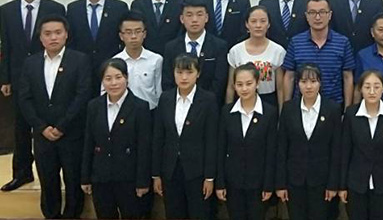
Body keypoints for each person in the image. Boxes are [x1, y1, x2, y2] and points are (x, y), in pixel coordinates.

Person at [0, 0, 66, 192]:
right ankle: (22, 173)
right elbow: (6, 46)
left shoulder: (55, 8)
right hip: (20, 77)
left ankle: (54, 173)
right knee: (21, 127)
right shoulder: (6, 10)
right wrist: (6, 78)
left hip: (48, 75)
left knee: (47, 123)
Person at [18, 15, 91, 219]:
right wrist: (41, 127)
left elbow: (82, 96)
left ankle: (72, 216)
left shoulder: (80, 60)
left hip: (71, 133)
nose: (53, 38)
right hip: (43, 135)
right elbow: (24, 99)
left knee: (73, 180)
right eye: (48, 33)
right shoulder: (30, 63)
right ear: (40, 37)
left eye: (58, 33)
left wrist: (62, 126)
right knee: (47, 181)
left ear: (66, 34)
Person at [81, 58, 152, 219]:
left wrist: (142, 181)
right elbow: (89, 143)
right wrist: (85, 177)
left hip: (129, 178)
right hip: (101, 177)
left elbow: (144, 147)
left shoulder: (140, 107)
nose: (113, 83)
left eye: (118, 77)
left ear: (126, 78)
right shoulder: (94, 106)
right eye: (108, 78)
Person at [152, 54, 218, 220]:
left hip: (197, 171)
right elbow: (158, 138)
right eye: (179, 72)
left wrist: (209, 177)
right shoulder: (166, 98)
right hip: (170, 170)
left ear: (198, 73)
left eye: (189, 72)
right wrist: (156, 174)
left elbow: (211, 141)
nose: (184, 77)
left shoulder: (208, 100)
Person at [276, 64, 342, 220]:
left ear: (320, 83)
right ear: (297, 84)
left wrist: (333, 184)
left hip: (322, 181)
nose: (308, 86)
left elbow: (336, 149)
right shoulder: (289, 109)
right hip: (294, 180)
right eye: (304, 81)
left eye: (313, 81)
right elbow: (281, 148)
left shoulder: (332, 109)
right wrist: (280, 184)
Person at [216, 64, 278, 220]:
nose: (244, 89)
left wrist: (268, 185)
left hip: (258, 184)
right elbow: (221, 149)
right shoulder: (227, 112)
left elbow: (271, 152)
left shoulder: (269, 113)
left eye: (249, 83)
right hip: (233, 183)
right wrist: (220, 183)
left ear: (257, 83)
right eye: (239, 84)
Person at [339, 70, 383, 220]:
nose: (372, 91)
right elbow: (345, 152)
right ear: (360, 89)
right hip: (356, 184)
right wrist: (342, 186)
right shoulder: (351, 114)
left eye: (376, 86)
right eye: (367, 87)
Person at [282, 0, 356, 110]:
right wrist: (287, 108)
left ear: (329, 15)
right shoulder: (296, 42)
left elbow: (347, 77)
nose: (317, 17)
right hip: (301, 107)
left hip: (333, 108)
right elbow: (289, 77)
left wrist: (347, 110)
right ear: (306, 16)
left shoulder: (342, 42)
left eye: (322, 12)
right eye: (312, 13)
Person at [66, 0, 129, 94]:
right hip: (81, 69)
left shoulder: (119, 8)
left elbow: (123, 39)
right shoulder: (73, 9)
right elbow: (70, 41)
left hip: (111, 69)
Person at [162, 0, 229, 106]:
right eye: (189, 15)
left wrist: (204, 104)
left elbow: (219, 81)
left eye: (199, 14)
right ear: (182, 19)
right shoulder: (171, 47)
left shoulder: (219, 46)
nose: (194, 20)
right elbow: (167, 81)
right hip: (178, 105)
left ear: (206, 18)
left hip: (209, 106)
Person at [226, 5, 285, 108]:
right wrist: (228, 110)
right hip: (242, 100)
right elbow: (231, 86)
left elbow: (280, 88)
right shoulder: (236, 51)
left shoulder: (278, 51)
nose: (258, 25)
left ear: (269, 24)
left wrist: (282, 113)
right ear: (247, 24)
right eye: (253, 21)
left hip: (268, 101)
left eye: (263, 21)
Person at [114, 11, 163, 110]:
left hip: (151, 111)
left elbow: (159, 91)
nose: (133, 36)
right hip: (123, 112)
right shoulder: (115, 62)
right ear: (121, 36)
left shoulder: (156, 60)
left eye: (137, 31)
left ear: (144, 34)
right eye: (128, 32)